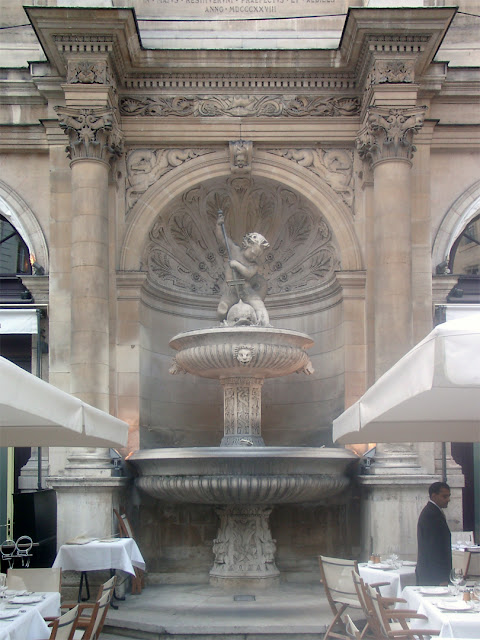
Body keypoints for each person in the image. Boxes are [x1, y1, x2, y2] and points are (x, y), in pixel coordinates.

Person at [215, 211, 270, 326]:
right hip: (231, 290)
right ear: (247, 245)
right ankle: (224, 326)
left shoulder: (254, 265)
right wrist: (219, 225)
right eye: (253, 252)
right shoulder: (234, 250)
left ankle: (265, 325)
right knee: (221, 311)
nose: (254, 257)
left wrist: (236, 264)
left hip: (246, 289)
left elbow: (248, 274)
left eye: (257, 255)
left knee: (259, 307)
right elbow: (222, 239)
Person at [416, 481, 452, 586]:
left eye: (449, 496)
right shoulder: (431, 515)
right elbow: (434, 549)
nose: (448, 500)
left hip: (431, 574)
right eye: (444, 496)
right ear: (434, 496)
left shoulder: (434, 512)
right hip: (433, 576)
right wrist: (441, 578)